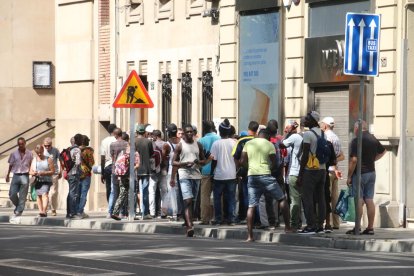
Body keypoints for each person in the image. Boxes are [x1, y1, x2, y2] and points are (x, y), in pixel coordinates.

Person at [240, 128, 292, 242]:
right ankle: (288, 227)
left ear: (258, 135)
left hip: (252, 176)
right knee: (281, 199)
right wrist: (269, 168)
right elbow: (275, 162)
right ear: (268, 137)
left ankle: (250, 236)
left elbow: (242, 160)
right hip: (266, 175)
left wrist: (249, 167)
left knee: (251, 205)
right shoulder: (270, 145)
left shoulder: (248, 143)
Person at [346, 120, 386, 235]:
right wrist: (372, 159)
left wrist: (349, 176)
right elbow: (383, 151)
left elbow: (354, 160)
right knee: (369, 199)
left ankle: (357, 227)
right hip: (371, 173)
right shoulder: (373, 138)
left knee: (358, 199)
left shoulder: (356, 140)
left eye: (354, 128)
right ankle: (370, 228)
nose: (354, 130)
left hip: (359, 174)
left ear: (357, 128)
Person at [170, 124, 207, 237]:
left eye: (192, 132)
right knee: (188, 200)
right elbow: (173, 162)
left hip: (196, 175)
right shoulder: (180, 146)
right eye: (188, 132)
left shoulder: (198, 145)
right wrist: (183, 164)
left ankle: (187, 220)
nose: (191, 134)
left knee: (193, 201)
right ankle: (189, 227)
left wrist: (198, 162)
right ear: (184, 134)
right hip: (184, 174)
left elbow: (203, 160)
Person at [297, 111, 327, 234]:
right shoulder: (323, 133)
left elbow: (305, 155)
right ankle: (320, 225)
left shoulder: (308, 134)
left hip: (310, 170)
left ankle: (310, 225)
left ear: (314, 121)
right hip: (322, 169)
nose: (305, 120)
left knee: (307, 197)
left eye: (308, 119)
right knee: (321, 197)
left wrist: (300, 174)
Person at [210, 119, 237, 225]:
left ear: (220, 132)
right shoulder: (234, 143)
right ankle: (230, 219)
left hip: (219, 176)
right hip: (231, 174)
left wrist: (212, 173)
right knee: (230, 198)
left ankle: (218, 219)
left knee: (217, 199)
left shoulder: (216, 144)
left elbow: (214, 161)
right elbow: (237, 159)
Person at [320, 117, 345, 232]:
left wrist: (330, 162)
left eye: (321, 124)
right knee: (334, 198)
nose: (320, 125)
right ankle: (336, 223)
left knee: (325, 197)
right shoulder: (336, 137)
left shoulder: (325, 137)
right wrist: (334, 164)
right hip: (335, 171)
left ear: (325, 125)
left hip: (328, 171)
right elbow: (341, 156)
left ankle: (326, 222)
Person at [232, 121, 259, 223]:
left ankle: (248, 218)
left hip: (245, 172)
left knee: (247, 195)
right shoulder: (259, 140)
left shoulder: (242, 140)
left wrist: (238, 168)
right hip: (258, 171)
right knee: (258, 196)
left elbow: (235, 156)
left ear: (248, 128)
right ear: (257, 130)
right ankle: (257, 219)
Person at [281, 120, 303, 230]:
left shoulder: (294, 138)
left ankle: (294, 223)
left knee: (294, 200)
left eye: (287, 127)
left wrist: (286, 133)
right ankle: (298, 222)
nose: (285, 129)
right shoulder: (301, 138)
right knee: (297, 199)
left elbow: (281, 144)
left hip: (294, 173)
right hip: (301, 173)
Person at [198, 120, 220, 225]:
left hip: (205, 170)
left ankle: (205, 218)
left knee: (205, 196)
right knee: (218, 196)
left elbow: (199, 157)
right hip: (218, 171)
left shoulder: (201, 141)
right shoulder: (219, 139)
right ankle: (218, 217)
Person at [6, 137, 33, 218]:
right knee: (12, 194)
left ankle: (19, 210)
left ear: (25, 143)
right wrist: (7, 175)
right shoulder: (14, 153)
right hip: (16, 175)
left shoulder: (29, 153)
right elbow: (10, 164)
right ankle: (19, 206)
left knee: (22, 195)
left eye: (22, 143)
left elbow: (31, 163)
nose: (21, 145)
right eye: (19, 144)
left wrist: (32, 173)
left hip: (25, 174)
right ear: (18, 144)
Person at [135, 124, 154, 219]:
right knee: (145, 191)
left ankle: (132, 212)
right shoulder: (148, 142)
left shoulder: (133, 141)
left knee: (134, 191)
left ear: (137, 132)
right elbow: (152, 153)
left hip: (135, 169)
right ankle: (145, 213)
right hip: (146, 169)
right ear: (144, 132)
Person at [30, 144, 55, 217]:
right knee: (39, 196)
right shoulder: (34, 160)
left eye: (41, 152)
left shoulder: (48, 159)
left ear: (43, 150)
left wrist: (44, 173)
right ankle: (41, 211)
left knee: (45, 194)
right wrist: (33, 173)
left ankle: (44, 210)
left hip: (46, 180)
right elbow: (30, 171)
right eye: (38, 153)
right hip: (37, 180)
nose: (39, 154)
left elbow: (53, 171)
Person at [43, 137, 62, 216]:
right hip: (44, 173)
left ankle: (53, 209)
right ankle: (45, 208)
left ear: (51, 144)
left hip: (54, 173)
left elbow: (60, 160)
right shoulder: (42, 151)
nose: (47, 147)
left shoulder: (55, 150)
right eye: (45, 145)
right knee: (45, 192)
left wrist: (61, 170)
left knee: (53, 192)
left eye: (49, 145)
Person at [77, 135, 94, 218]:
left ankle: (76, 211)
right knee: (83, 194)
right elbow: (91, 162)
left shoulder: (75, 150)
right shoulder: (88, 151)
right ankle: (80, 211)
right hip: (86, 174)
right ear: (85, 142)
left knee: (77, 193)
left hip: (76, 174)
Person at [100, 124, 117, 207]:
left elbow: (102, 157)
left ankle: (110, 207)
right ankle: (116, 207)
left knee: (108, 188)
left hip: (107, 166)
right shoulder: (117, 140)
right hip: (116, 165)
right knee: (116, 187)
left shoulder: (104, 141)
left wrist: (102, 172)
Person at [66, 134, 82, 219]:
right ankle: (73, 213)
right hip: (74, 173)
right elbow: (78, 162)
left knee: (70, 193)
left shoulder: (69, 149)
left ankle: (68, 212)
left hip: (69, 173)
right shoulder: (77, 150)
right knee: (73, 193)